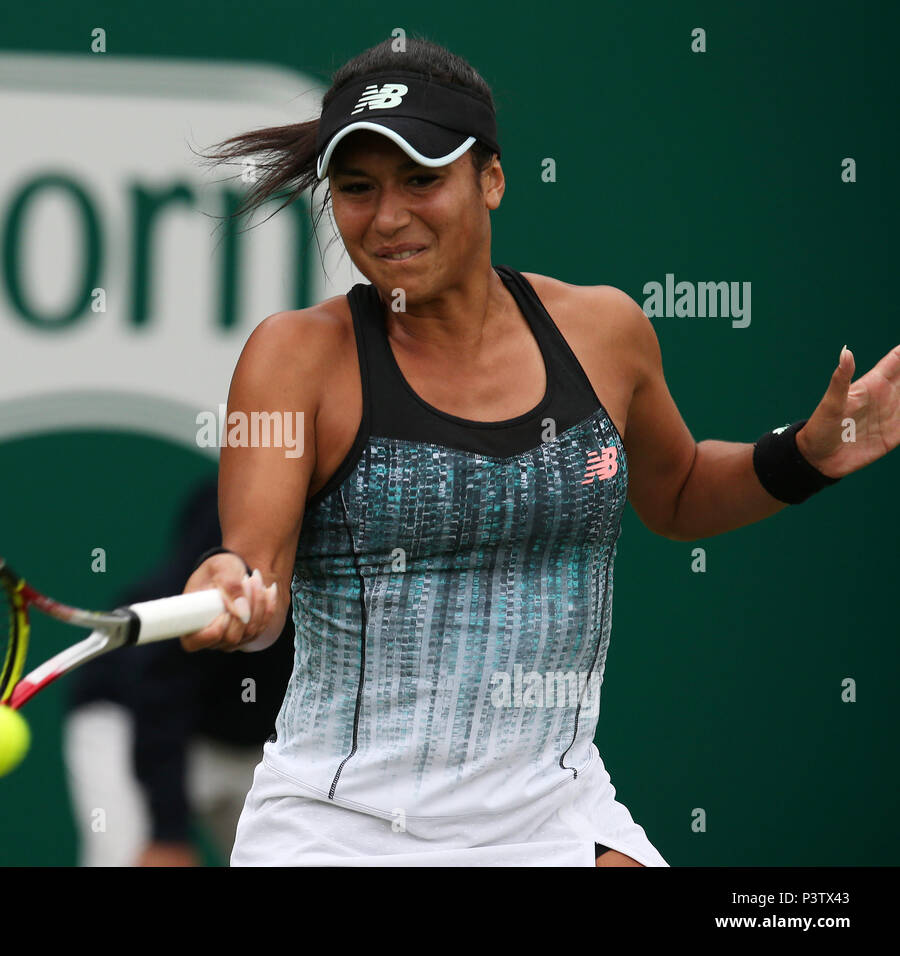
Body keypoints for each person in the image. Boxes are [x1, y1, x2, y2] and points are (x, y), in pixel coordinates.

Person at [177, 36, 900, 866]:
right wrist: (232, 588)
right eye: (357, 189)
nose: (387, 218)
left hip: (553, 811)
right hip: (340, 830)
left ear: (490, 179)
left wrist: (807, 454)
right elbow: (254, 564)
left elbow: (681, 490)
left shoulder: (604, 331)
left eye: (422, 179)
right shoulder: (294, 356)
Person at [63, 476, 293, 865]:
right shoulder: (236, 503)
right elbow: (163, 676)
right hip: (134, 716)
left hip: (261, 741)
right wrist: (165, 834)